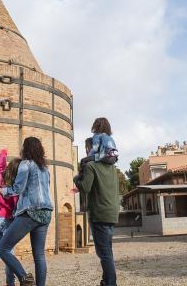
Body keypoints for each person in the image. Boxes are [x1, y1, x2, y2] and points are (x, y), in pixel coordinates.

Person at [0, 137, 53, 286]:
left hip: (30, 212)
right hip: (46, 213)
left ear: (25, 149)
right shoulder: (45, 169)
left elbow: (17, 189)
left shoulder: (25, 164)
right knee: (39, 256)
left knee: (2, 248)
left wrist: (2, 190)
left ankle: (25, 279)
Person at [74, 120, 120, 286]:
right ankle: (106, 280)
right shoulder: (112, 168)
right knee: (108, 250)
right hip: (112, 212)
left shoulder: (91, 166)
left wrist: (76, 179)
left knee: (104, 253)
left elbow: (85, 188)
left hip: (99, 213)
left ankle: (111, 283)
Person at [0, 149, 20, 286]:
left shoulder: (1, 176)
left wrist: (3, 155)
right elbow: (16, 205)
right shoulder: (15, 187)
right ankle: (10, 283)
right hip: (7, 220)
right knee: (8, 252)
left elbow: (1, 166)